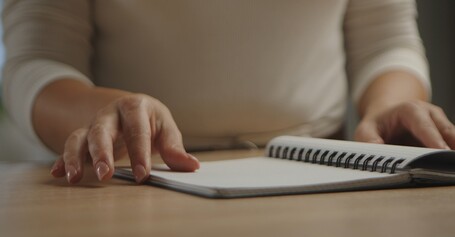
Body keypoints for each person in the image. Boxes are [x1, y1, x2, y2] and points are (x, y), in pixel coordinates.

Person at [2, 0, 455, 184]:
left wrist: (391, 103)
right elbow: (37, 58)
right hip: (132, 180)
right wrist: (105, 110)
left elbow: (386, 41)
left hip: (320, 179)